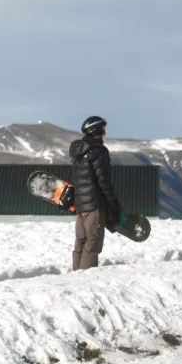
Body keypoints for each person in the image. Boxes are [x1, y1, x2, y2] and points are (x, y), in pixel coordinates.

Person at [68, 116, 121, 270]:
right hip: (95, 206)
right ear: (96, 130)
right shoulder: (98, 151)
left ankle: (75, 277)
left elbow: (74, 180)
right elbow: (104, 181)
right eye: (103, 129)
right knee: (92, 245)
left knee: (80, 244)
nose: (105, 133)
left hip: (81, 208)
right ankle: (85, 283)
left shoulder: (78, 153)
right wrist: (114, 204)